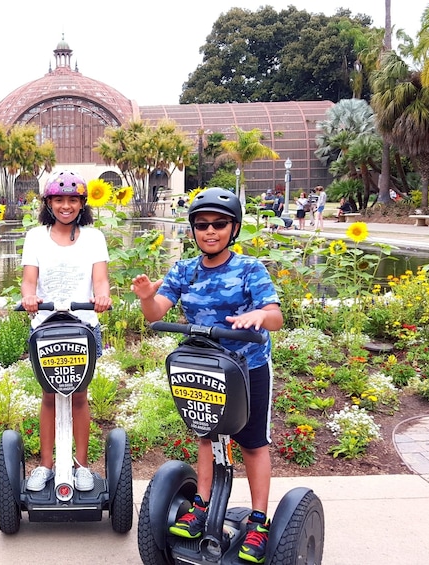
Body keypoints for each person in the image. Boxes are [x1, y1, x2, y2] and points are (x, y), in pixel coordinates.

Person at [131, 187, 282, 564]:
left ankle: (259, 522)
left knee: (251, 443)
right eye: (202, 225)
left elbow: (275, 317)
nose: (210, 231)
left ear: (234, 228)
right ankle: (202, 504)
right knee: (206, 434)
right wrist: (149, 296)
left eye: (219, 224)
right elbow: (157, 313)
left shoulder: (250, 268)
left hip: (247, 367)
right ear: (193, 229)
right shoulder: (184, 269)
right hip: (202, 367)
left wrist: (259, 316)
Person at [21, 170, 112, 493]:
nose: (66, 206)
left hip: (83, 326)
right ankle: (46, 464)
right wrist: (29, 297)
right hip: (45, 326)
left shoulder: (94, 237)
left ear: (82, 204)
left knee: (79, 396)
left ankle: (82, 465)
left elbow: (100, 278)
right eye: (59, 200)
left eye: (73, 200)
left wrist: (102, 296)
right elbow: (29, 279)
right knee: (49, 395)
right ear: (48, 203)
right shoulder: (35, 236)